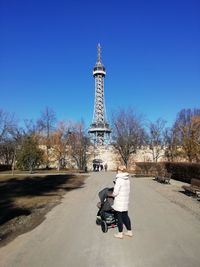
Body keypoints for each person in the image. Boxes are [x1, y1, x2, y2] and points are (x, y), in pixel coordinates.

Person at [109, 165, 132, 239]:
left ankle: (120, 233)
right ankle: (129, 231)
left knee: (119, 217)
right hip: (125, 200)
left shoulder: (119, 179)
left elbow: (115, 192)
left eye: (117, 170)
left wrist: (111, 195)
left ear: (119, 171)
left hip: (119, 201)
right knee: (125, 215)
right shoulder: (127, 179)